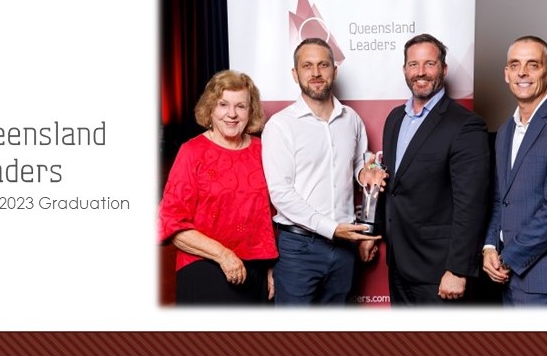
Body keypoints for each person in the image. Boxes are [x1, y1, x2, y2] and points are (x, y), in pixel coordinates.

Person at [263, 37, 384, 305]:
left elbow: (358, 166)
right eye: (307, 66)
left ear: (334, 71)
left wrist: (364, 173)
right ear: (295, 74)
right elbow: (281, 193)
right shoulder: (281, 125)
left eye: (323, 65)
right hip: (299, 248)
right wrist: (331, 229)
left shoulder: (351, 119)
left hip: (344, 248)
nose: (316, 73)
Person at [378, 33, 490, 305]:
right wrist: (374, 233)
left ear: (444, 69)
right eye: (413, 64)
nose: (421, 72)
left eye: (430, 64)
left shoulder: (465, 125)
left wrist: (458, 269)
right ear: (405, 70)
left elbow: (471, 204)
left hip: (439, 271)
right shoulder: (395, 119)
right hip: (399, 264)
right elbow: (393, 187)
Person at [159, 70, 277, 305]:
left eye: (240, 106)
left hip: (256, 268)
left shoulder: (263, 150)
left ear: (250, 111)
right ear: (210, 109)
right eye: (223, 105)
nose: (232, 114)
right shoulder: (192, 152)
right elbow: (171, 224)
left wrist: (272, 268)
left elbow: (274, 216)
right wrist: (223, 255)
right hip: (204, 265)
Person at [482, 35, 547, 306]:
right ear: (506, 74)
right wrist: (490, 247)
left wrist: (509, 257)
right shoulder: (504, 132)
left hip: (545, 282)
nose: (522, 72)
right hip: (505, 279)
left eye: (532, 65)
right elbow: (500, 198)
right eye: (514, 65)